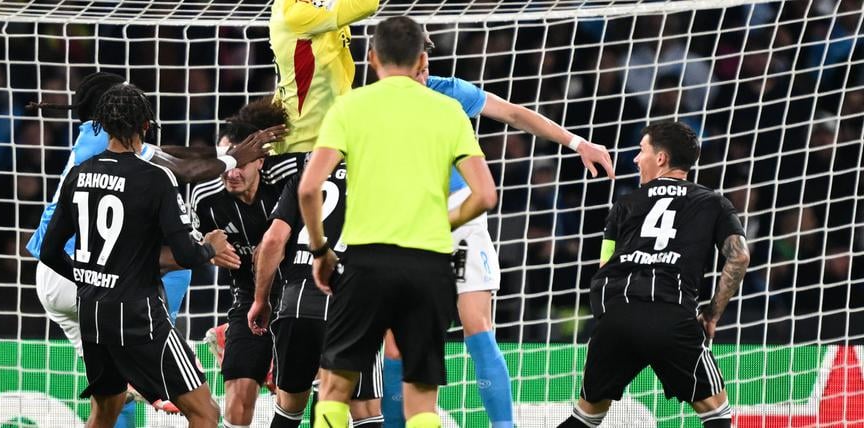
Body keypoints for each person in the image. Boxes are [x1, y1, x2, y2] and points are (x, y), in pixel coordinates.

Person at [380, 36, 617, 428]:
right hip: (404, 225)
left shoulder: (449, 91)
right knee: (396, 343)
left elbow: (513, 114)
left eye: (424, 63)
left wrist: (576, 142)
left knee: (477, 324)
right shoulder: (373, 106)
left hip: (459, 215)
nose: (422, 70)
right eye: (415, 62)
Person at [25, 72, 275, 419]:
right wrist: (208, 247)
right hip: (114, 296)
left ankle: (136, 382)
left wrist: (87, 279)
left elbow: (173, 156)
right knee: (205, 412)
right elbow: (182, 168)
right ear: (142, 123)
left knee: (107, 406)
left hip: (72, 286)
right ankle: (158, 361)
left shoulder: (88, 152)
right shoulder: (148, 173)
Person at [298, 16, 496, 428]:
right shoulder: (448, 110)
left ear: (371, 58)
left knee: (335, 389)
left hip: (367, 262)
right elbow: (485, 195)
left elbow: (308, 189)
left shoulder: (349, 107)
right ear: (422, 58)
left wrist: (320, 250)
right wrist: (445, 220)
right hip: (430, 265)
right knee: (421, 400)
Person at [558, 122, 749, 428]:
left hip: (617, 316)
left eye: (641, 150)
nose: (635, 159)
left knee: (585, 418)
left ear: (660, 159)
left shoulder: (624, 204)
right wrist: (711, 314)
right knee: (717, 416)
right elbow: (739, 256)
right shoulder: (713, 203)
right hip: (670, 314)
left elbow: (604, 265)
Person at [248, 161, 384, 428]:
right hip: (352, 305)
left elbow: (273, 240)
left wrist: (261, 300)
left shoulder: (306, 177)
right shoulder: (378, 178)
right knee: (364, 410)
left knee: (289, 408)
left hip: (297, 304)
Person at [189, 98, 290, 428]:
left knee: (307, 390)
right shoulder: (204, 198)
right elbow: (181, 244)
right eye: (223, 163)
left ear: (260, 161)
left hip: (299, 293)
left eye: (239, 162)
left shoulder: (287, 176)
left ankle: (271, 355)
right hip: (248, 296)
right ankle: (237, 337)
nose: (229, 172)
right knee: (239, 395)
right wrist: (204, 248)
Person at [268, 0, 379, 155]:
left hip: (333, 129)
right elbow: (366, 5)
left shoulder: (313, 5)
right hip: (305, 142)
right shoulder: (294, 13)